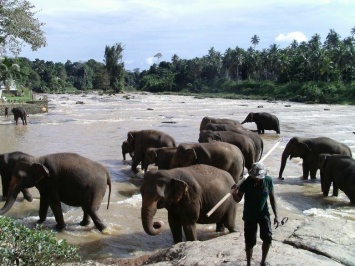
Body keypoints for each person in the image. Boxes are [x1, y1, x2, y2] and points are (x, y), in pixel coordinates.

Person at [231, 162, 279, 266]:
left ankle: (263, 261)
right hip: (250, 215)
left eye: (260, 177)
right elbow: (238, 199)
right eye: (256, 177)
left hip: (263, 213)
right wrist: (234, 193)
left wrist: (276, 216)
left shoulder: (268, 181)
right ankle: (248, 263)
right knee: (249, 242)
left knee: (267, 237)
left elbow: (272, 198)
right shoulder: (246, 182)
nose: (258, 179)